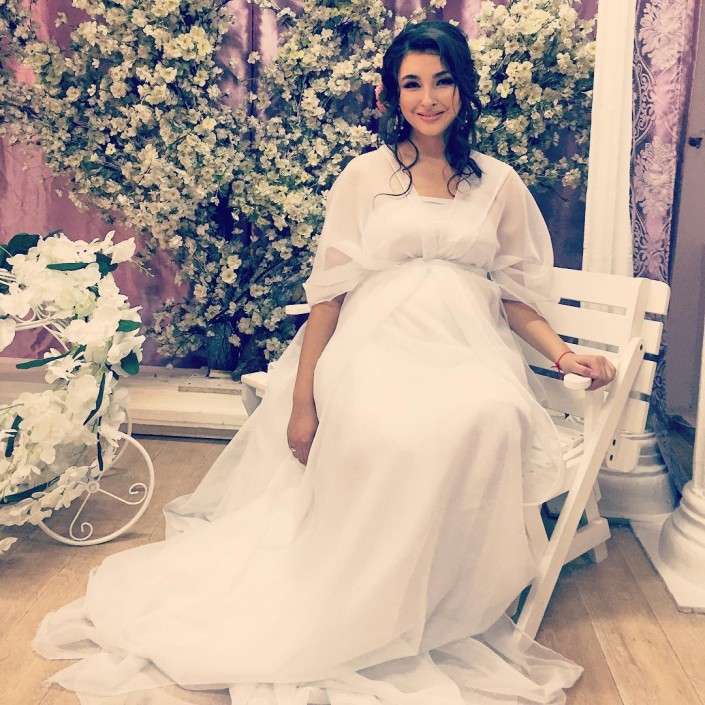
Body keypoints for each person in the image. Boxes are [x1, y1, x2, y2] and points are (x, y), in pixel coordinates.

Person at [34, 20, 614, 705]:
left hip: (466, 354)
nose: (428, 98)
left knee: (488, 417)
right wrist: (303, 400)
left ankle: (436, 597)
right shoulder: (365, 176)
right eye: (412, 84)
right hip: (375, 349)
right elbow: (329, 296)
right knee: (385, 432)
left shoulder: (497, 184)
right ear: (391, 95)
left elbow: (516, 297)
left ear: (463, 88)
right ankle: (360, 595)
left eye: (441, 81)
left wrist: (564, 353)